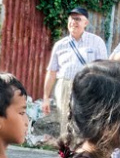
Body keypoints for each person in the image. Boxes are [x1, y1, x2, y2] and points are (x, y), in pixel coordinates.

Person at [42, 7, 108, 136]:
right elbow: (51, 72)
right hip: (64, 86)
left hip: (87, 86)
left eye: (78, 19)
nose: (74, 22)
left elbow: (104, 69)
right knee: (65, 121)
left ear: (86, 23)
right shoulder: (60, 45)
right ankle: (66, 152)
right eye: (72, 18)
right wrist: (45, 97)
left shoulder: (96, 42)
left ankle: (82, 151)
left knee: (85, 120)